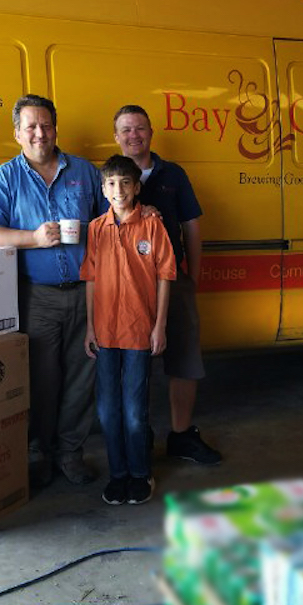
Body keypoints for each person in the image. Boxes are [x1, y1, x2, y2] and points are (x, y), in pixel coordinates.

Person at [0, 94, 108, 488]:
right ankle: (37, 454)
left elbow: (111, 219)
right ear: (17, 133)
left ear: (55, 128)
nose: (39, 133)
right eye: (30, 126)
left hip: (87, 293)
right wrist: (32, 238)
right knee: (40, 381)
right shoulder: (6, 178)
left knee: (83, 380)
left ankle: (70, 452)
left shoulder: (84, 172)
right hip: (38, 297)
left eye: (46, 125)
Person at [112, 104, 222, 465]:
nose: (134, 135)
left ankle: (180, 434)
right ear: (116, 137)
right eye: (126, 130)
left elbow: (191, 225)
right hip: (128, 288)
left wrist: (194, 275)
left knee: (184, 358)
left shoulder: (173, 174)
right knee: (132, 364)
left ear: (151, 133)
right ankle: (137, 437)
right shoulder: (109, 177)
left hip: (174, 282)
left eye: (140, 128)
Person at [81, 155, 175, 505]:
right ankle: (117, 474)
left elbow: (166, 275)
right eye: (110, 183)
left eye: (125, 183)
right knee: (107, 410)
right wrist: (90, 326)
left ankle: (140, 472)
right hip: (104, 332)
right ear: (103, 189)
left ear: (137, 188)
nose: (118, 190)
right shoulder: (95, 229)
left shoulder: (152, 226)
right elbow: (90, 278)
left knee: (135, 410)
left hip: (139, 330)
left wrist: (159, 325)